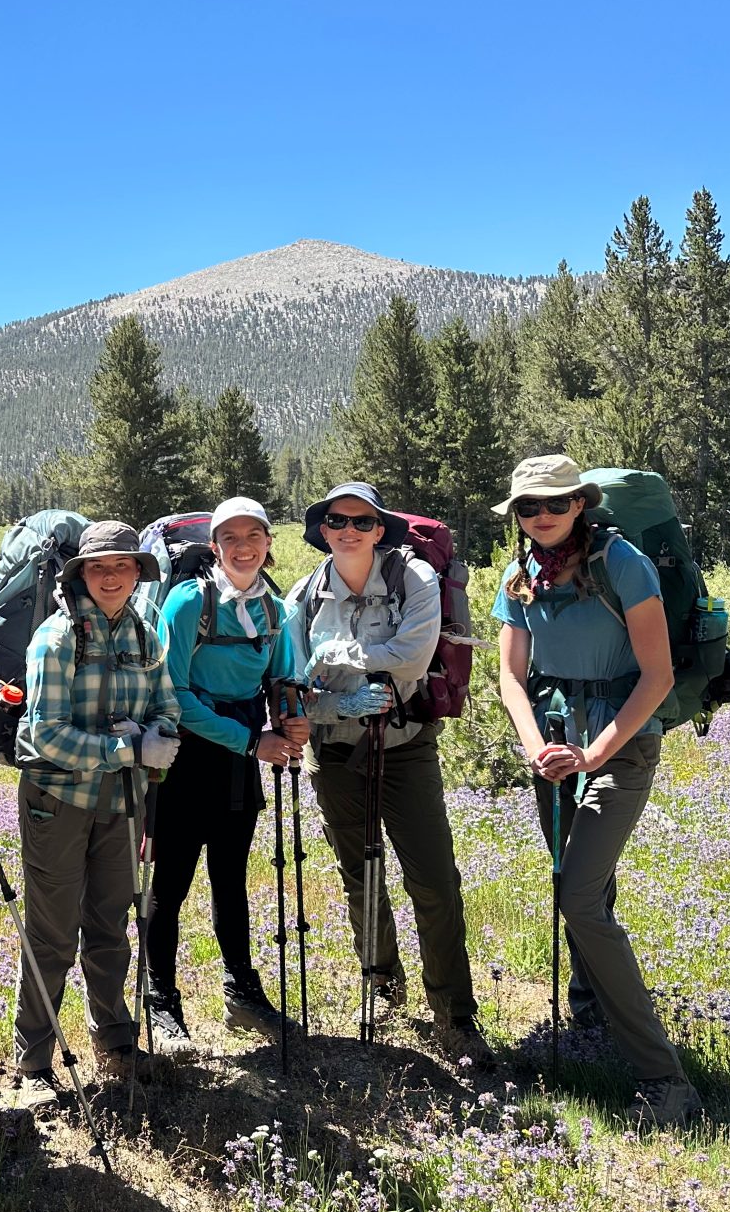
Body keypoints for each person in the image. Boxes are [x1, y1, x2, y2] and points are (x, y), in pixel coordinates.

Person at [490, 454, 699, 1126]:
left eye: (555, 503)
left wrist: (596, 753)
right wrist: (537, 750)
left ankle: (666, 1083)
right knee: (588, 892)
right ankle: (592, 1020)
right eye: (528, 507)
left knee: (578, 899)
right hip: (553, 747)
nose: (542, 515)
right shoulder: (518, 576)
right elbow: (511, 678)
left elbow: (658, 675)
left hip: (621, 747)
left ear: (581, 503)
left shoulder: (623, 563)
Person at [284, 482, 493, 1069]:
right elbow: (296, 686)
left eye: (361, 521)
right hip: (336, 752)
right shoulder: (303, 596)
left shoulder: (414, 580)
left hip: (406, 747)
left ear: (380, 529)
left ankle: (454, 1012)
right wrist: (333, 703)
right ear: (322, 528)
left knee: (432, 878)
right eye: (336, 520)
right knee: (360, 875)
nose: (348, 529)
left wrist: (339, 664)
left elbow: (412, 656)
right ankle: (383, 988)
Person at [13, 521, 181, 1107]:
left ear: (138, 573)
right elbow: (43, 736)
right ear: (81, 574)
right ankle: (34, 1058)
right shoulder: (55, 639)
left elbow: (166, 701)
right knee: (53, 933)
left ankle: (114, 1037)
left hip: (120, 804)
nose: (111, 577)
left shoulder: (147, 634)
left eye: (123, 567)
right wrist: (128, 750)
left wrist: (161, 730)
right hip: (56, 804)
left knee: (110, 926)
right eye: (99, 568)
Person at [145, 496, 309, 1052]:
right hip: (188, 757)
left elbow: (284, 677)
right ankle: (160, 1000)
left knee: (230, 878)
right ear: (214, 547)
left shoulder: (275, 610)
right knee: (169, 886)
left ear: (268, 544)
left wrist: (293, 718)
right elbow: (174, 695)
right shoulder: (189, 602)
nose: (243, 548)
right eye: (231, 539)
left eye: (254, 537)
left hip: (244, 757)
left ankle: (241, 990)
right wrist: (251, 741)